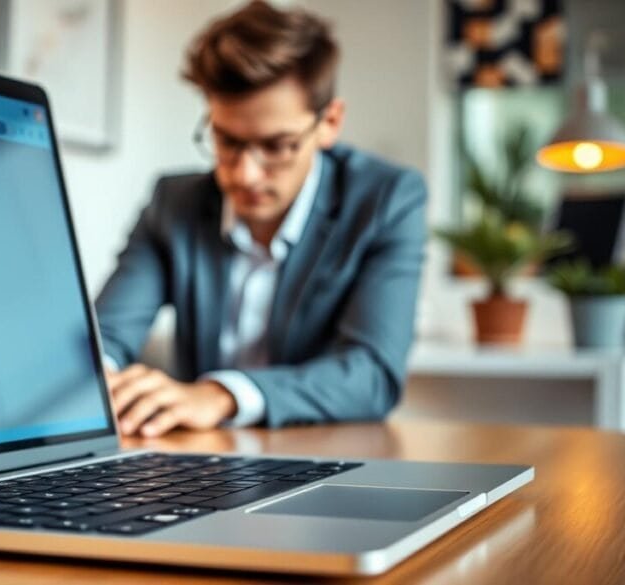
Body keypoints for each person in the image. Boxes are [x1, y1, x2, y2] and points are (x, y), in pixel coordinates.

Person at [95, 1, 427, 437]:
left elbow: (372, 375)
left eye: (277, 146)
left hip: (324, 455)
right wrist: (94, 378)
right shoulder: (173, 202)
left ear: (329, 122)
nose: (246, 173)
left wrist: (220, 395)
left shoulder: (387, 199)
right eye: (226, 140)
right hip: (203, 463)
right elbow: (107, 336)